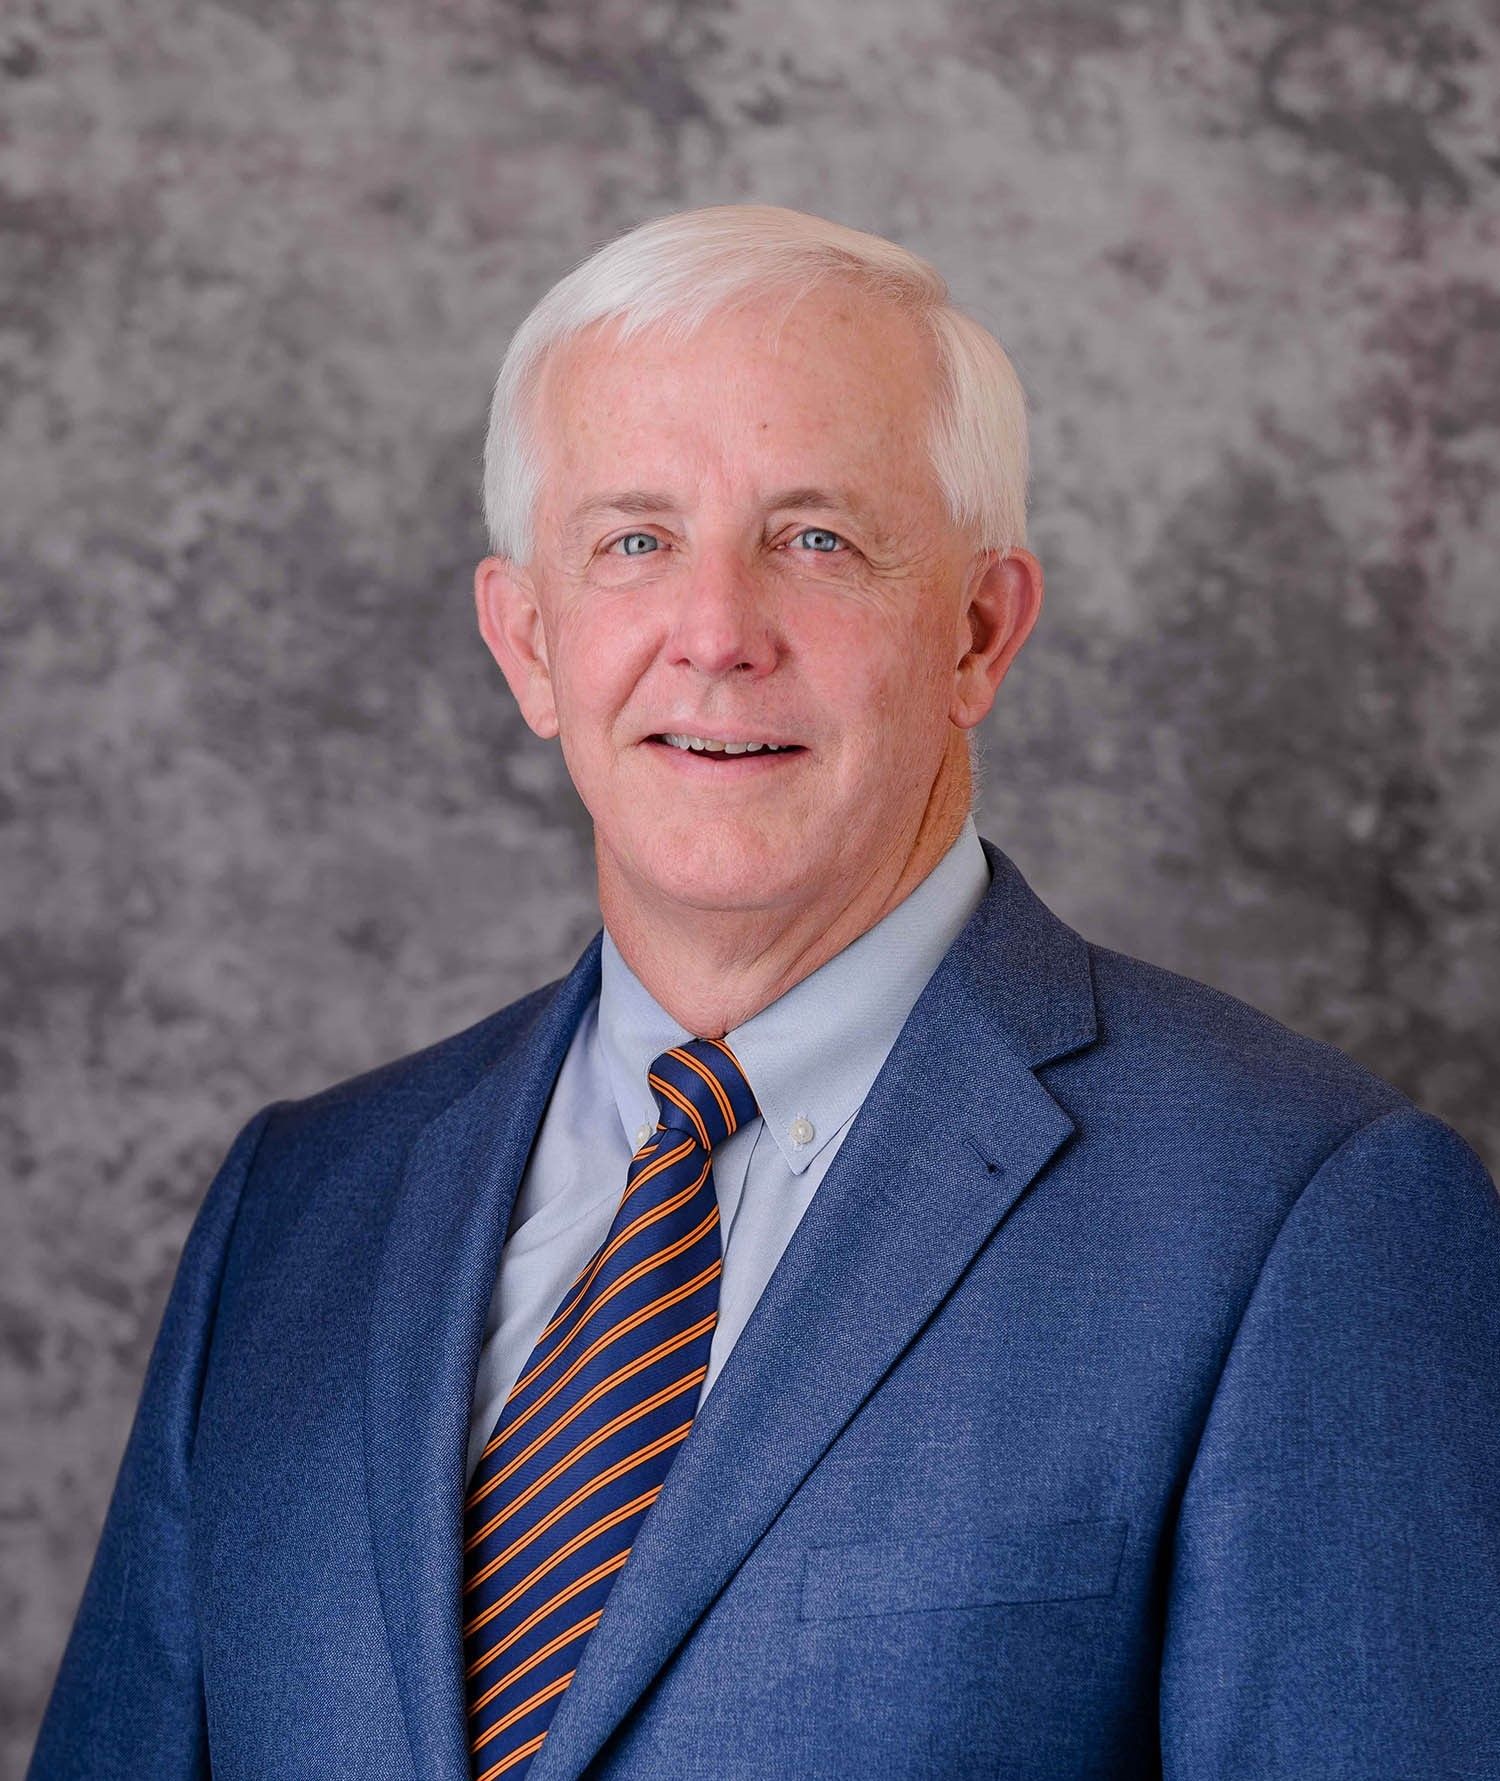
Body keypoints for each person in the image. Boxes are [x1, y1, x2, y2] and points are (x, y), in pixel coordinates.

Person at [28, 204, 1500, 1781]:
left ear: (979, 632)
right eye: (635, 541)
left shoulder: (1307, 1217)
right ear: (529, 641)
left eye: (817, 538)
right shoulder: (298, 1210)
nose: (716, 635)